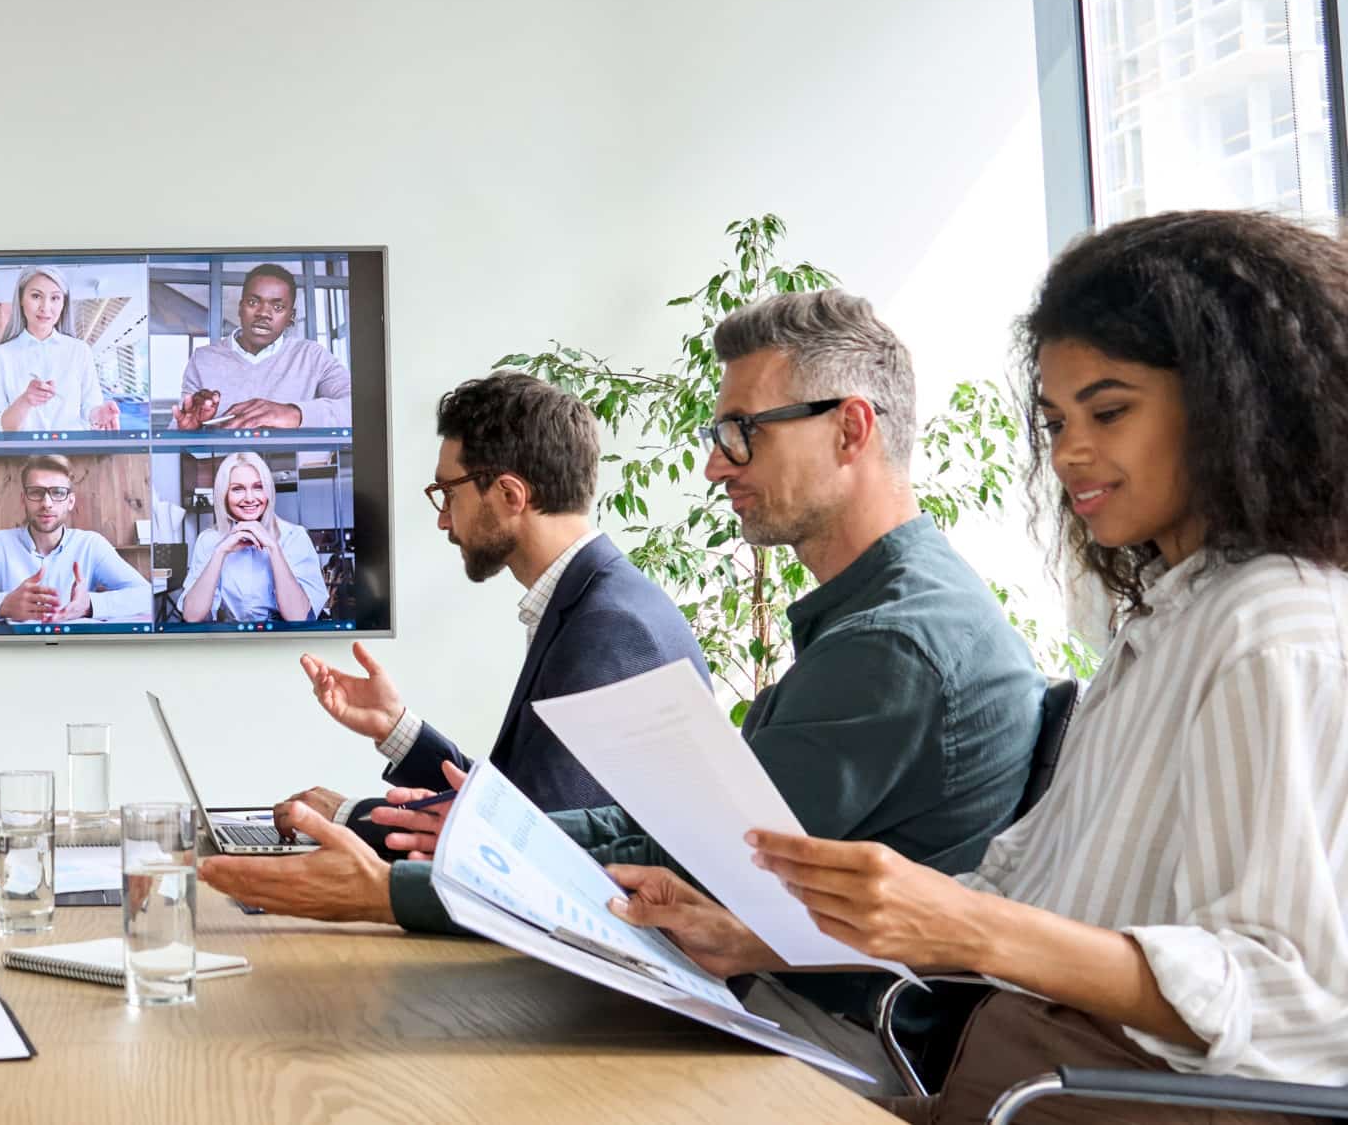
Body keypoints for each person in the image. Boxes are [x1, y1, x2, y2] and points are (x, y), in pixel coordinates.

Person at [617, 210, 1348, 1123]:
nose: (1071, 452)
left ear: (1233, 403)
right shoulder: (1166, 616)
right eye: (1055, 420)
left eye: (1109, 411)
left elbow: (1293, 999)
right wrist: (753, 934)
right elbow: (1012, 892)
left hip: (1091, 1099)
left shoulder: (1273, 628)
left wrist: (964, 925)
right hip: (1012, 1077)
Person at [203, 290, 1043, 1072]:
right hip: (779, 998)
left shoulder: (892, 643)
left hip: (822, 1037)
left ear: (851, 430)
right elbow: (666, 830)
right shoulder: (880, 616)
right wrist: (454, 834)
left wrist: (394, 890)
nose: (717, 468)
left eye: (743, 432)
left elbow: (696, 861)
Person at [263, 372, 706, 863]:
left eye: (448, 492)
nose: (442, 518)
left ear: (510, 495)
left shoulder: (608, 626)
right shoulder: (594, 600)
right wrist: (396, 728)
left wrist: (348, 817)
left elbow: (530, 850)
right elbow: (520, 808)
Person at [0, 454, 152, 625]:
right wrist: (4, 604)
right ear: (23, 500)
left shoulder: (91, 544)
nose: (47, 503)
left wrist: (89, 604)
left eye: (57, 493)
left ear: (70, 501)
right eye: (36, 492)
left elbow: (145, 596)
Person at [172, 263, 353, 430]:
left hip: (290, 466)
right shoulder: (204, 359)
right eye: (253, 302)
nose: (263, 313)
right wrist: (190, 430)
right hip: (223, 466)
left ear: (291, 317)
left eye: (278, 306)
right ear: (240, 308)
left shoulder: (313, 356)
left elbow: (358, 408)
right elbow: (180, 424)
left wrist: (294, 413)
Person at [178, 451, 330, 623]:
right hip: (232, 641)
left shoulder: (295, 537)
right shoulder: (208, 540)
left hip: (285, 641)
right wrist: (220, 552)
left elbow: (299, 617)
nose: (250, 498)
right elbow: (192, 616)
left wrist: (274, 549)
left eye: (258, 487)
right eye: (237, 489)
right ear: (224, 496)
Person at [0, 264, 118, 432]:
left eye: (55, 298)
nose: (45, 307)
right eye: (36, 296)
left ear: (63, 303)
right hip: (22, 457)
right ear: (21, 299)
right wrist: (25, 401)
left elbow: (90, 408)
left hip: (73, 455)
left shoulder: (80, 351)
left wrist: (99, 415)